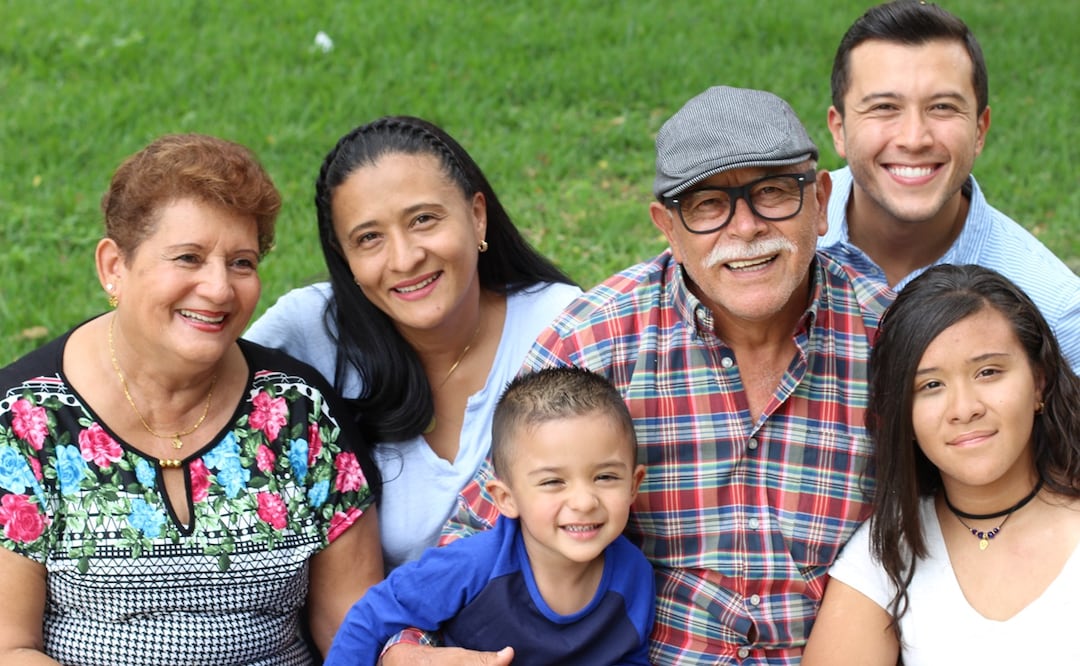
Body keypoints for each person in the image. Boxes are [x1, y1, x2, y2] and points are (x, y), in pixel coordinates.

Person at [383, 86, 896, 665]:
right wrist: (407, 649)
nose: (746, 227)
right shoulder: (595, 341)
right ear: (667, 227)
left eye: (773, 192)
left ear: (822, 200)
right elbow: (487, 521)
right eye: (707, 205)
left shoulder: (890, 340)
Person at [0, 134, 383, 664]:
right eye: (189, 257)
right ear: (114, 266)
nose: (220, 289)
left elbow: (352, 626)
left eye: (242, 262)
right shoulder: (22, 422)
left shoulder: (299, 412)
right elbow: (9, 646)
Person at [245, 116, 581, 572]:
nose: (405, 258)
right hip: (375, 633)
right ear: (344, 257)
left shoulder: (560, 327)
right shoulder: (311, 329)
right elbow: (183, 383)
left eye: (423, 219)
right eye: (369, 238)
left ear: (477, 217)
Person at [802, 264, 1080, 665]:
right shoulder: (887, 550)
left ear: (1039, 381)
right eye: (930, 385)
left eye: (988, 372)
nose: (964, 409)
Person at [324, 367, 653, 666]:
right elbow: (371, 616)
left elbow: (629, 656)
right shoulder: (473, 565)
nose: (583, 501)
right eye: (553, 482)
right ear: (506, 499)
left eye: (606, 477)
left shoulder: (634, 575)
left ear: (633, 485)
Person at [821, 0, 1080, 371]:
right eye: (884, 107)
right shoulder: (776, 238)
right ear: (839, 130)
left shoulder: (1055, 311)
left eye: (942, 107)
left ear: (979, 130)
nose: (914, 138)